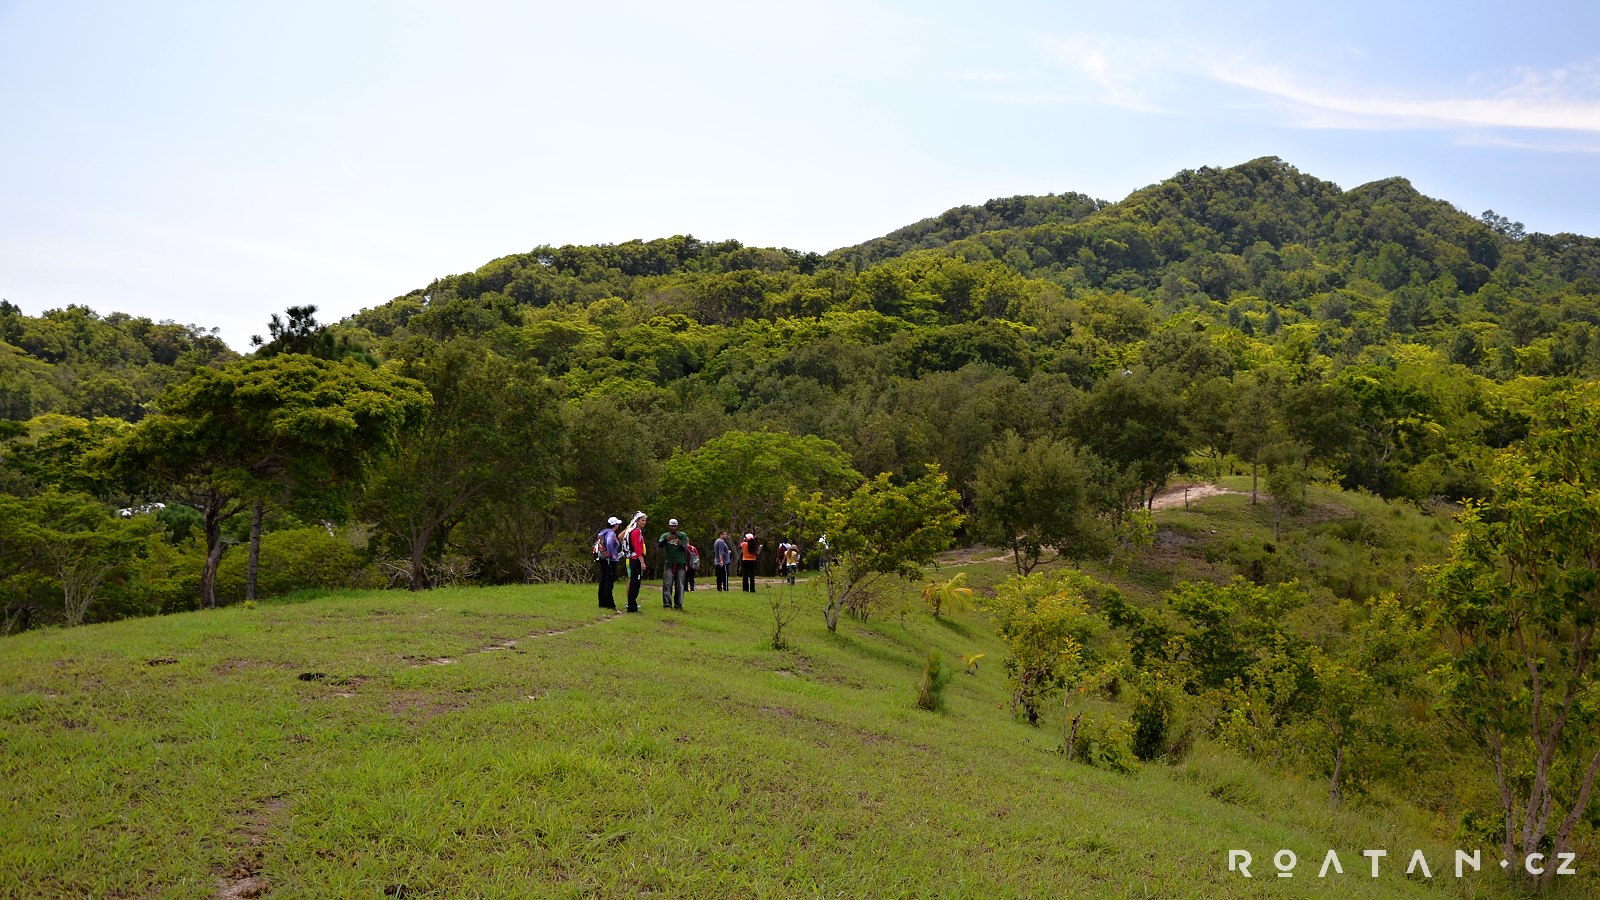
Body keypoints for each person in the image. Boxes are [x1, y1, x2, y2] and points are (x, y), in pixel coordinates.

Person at [658, 517, 691, 610]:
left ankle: (678, 605)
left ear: (677, 526)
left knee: (680, 585)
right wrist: (666, 540)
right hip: (669, 563)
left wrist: (680, 544)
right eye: (671, 526)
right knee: (667, 584)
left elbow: (684, 549)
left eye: (675, 526)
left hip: (681, 563)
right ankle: (667, 604)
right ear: (669, 526)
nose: (673, 528)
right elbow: (660, 545)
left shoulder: (682, 535)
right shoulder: (665, 535)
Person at [620, 511, 648, 613]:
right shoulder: (636, 532)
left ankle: (632, 603)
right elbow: (637, 548)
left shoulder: (634, 531)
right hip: (635, 559)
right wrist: (642, 562)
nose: (644, 522)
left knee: (635, 582)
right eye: (642, 520)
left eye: (645, 520)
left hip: (635, 559)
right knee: (635, 582)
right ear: (637, 521)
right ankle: (631, 606)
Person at [595, 515, 623, 609]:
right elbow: (609, 542)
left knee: (603, 580)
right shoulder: (611, 533)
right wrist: (611, 554)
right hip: (609, 560)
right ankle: (609, 604)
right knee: (609, 582)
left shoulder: (603, 532)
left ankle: (602, 602)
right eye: (617, 524)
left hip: (603, 559)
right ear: (614, 525)